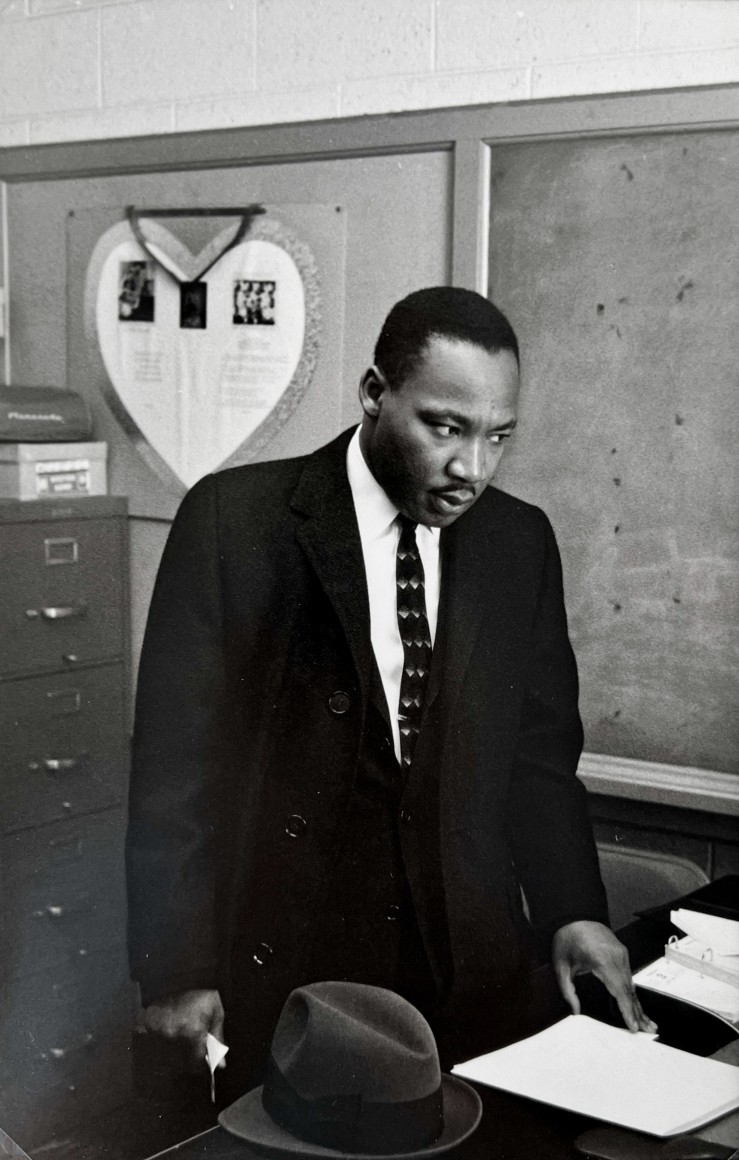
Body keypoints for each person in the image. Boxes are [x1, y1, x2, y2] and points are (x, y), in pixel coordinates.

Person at [127, 287, 654, 1103]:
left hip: (466, 974)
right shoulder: (236, 522)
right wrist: (175, 970)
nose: (470, 469)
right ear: (375, 394)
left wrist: (571, 910)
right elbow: (174, 771)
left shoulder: (520, 542)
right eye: (444, 427)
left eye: (497, 436)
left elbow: (537, 762)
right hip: (292, 971)